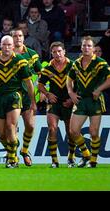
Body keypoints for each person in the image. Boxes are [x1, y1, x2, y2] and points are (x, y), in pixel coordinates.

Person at [0, 35, 35, 168]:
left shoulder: (20, 61)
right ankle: (13, 149)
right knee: (2, 134)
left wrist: (33, 101)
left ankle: (13, 160)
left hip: (14, 95)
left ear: (13, 46)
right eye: (4, 45)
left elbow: (29, 83)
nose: (7, 47)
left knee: (10, 126)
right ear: (0, 46)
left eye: (9, 45)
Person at [66, 36, 110, 168]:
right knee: (73, 131)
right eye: (84, 45)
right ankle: (86, 154)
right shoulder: (76, 63)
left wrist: (99, 89)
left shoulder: (101, 63)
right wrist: (71, 93)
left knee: (94, 132)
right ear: (81, 47)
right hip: (80, 100)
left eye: (89, 46)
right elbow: (69, 79)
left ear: (94, 48)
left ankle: (93, 161)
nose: (86, 48)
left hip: (95, 100)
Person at [38, 41, 75, 168]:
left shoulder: (73, 66)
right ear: (51, 53)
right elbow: (40, 85)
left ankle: (71, 158)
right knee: (52, 129)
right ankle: (54, 160)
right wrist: (48, 94)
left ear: (64, 51)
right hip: (54, 102)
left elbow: (81, 84)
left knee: (70, 131)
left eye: (59, 51)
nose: (57, 54)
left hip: (69, 102)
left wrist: (72, 98)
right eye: (54, 52)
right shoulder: (47, 68)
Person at [11, 28, 42, 166]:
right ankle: (12, 155)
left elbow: (41, 73)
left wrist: (41, 91)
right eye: (15, 36)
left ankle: (24, 150)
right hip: (12, 95)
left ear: (24, 38)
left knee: (30, 125)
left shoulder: (32, 54)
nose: (18, 38)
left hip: (28, 95)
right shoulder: (6, 55)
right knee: (13, 127)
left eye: (20, 36)